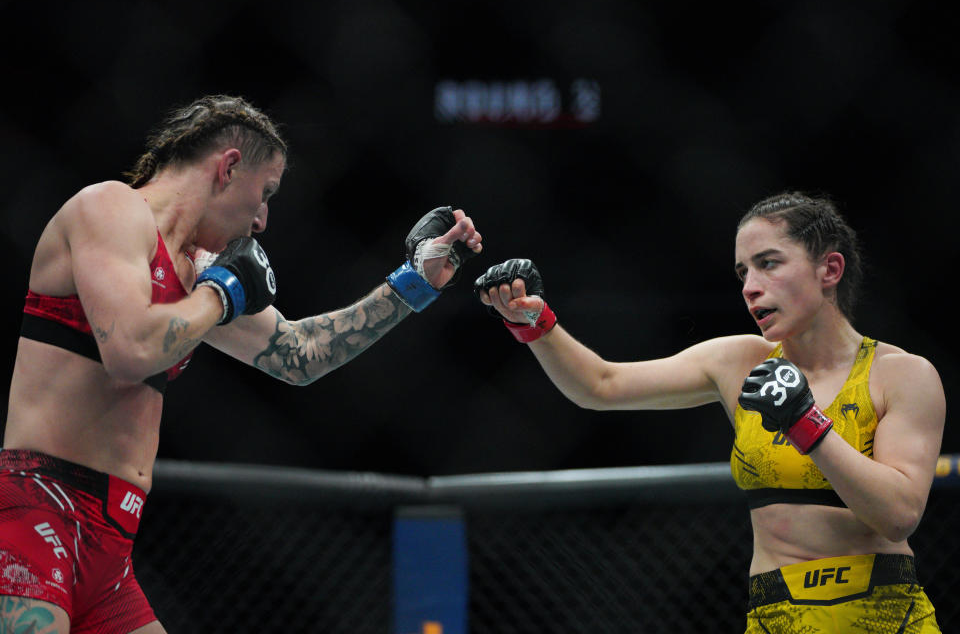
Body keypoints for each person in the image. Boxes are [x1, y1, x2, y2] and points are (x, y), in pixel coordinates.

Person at [0, 94, 483, 634]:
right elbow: (131, 350)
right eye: (266, 193)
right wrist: (222, 294)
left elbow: (301, 355)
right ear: (229, 167)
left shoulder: (197, 273)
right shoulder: (110, 210)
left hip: (112, 546)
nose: (262, 220)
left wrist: (415, 282)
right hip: (38, 512)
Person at [474, 192, 943, 632]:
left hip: (887, 616)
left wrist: (806, 425)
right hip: (778, 617)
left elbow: (899, 515)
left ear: (830, 269)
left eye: (769, 264)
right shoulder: (738, 362)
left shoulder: (900, 375)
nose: (751, 288)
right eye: (743, 273)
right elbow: (601, 384)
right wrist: (536, 324)